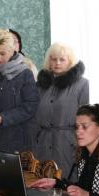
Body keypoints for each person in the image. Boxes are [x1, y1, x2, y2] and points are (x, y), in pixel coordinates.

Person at [34, 42, 89, 181]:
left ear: (70, 61)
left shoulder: (81, 84)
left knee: (67, 182)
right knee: (42, 182)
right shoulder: (41, 85)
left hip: (68, 143)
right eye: (54, 59)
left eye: (62, 59)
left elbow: (85, 118)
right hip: (43, 143)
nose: (57, 63)